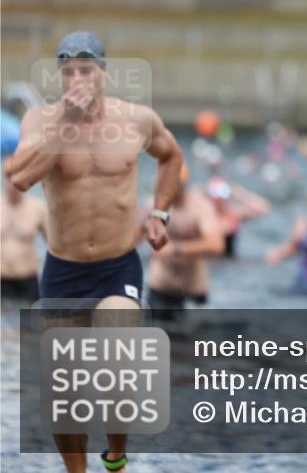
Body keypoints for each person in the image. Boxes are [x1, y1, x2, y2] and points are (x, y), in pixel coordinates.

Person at [5, 31, 183, 473]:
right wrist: (65, 123)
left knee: (116, 362)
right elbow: (20, 178)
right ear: (60, 77)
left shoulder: (136, 120)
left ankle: (116, 457)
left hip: (116, 265)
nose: (77, 79)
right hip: (63, 269)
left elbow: (172, 157)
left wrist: (159, 213)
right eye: (68, 72)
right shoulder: (40, 122)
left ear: (103, 73)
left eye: (85, 70)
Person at [146, 163, 225, 320]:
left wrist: (176, 248)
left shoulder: (200, 207)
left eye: (175, 183)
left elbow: (216, 244)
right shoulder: (152, 205)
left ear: (184, 183)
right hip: (159, 288)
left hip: (193, 292)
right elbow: (134, 237)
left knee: (195, 342)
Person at [1, 161, 48, 303]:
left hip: (28, 280)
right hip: (1, 280)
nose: (13, 184)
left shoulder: (38, 208)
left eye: (18, 178)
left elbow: (54, 247)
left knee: (31, 325)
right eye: (10, 178)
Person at [205, 176, 270, 258]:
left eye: (221, 197)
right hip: (210, 262)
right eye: (214, 197)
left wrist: (240, 194)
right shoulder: (203, 217)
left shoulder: (233, 215)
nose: (218, 201)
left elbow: (263, 208)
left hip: (229, 262)